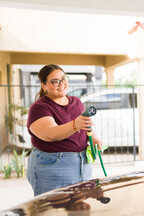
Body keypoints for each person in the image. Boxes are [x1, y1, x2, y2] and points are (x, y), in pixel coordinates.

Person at [26, 64, 102, 196]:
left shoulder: (76, 102)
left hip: (82, 163)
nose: (61, 84)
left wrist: (94, 138)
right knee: (53, 211)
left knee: (80, 210)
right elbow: (50, 134)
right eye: (55, 81)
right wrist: (75, 125)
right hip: (53, 165)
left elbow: (84, 126)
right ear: (44, 86)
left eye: (63, 79)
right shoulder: (39, 107)